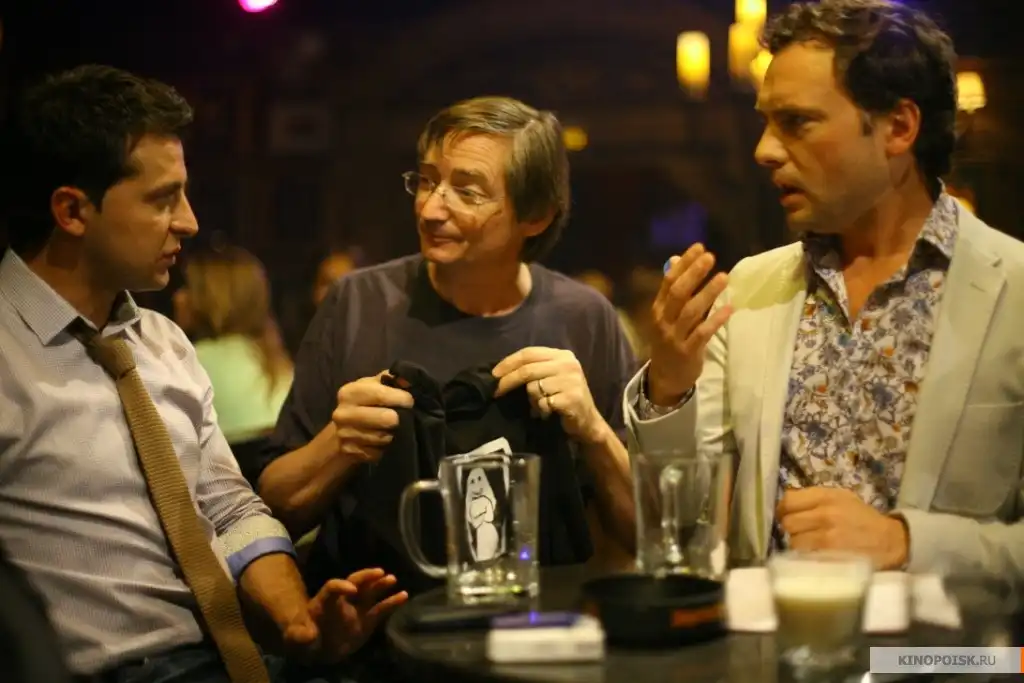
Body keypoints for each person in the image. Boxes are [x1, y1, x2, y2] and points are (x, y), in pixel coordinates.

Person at [0, 64, 406, 683]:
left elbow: (229, 506)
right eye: (163, 199)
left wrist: (298, 621)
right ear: (73, 210)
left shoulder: (164, 342)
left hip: (235, 660)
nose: (189, 221)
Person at [626, 0, 1024, 579]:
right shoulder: (751, 287)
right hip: (766, 635)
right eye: (766, 122)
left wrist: (906, 542)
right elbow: (682, 522)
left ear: (899, 127)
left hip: (945, 635)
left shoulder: (1013, 288)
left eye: (796, 122)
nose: (764, 150)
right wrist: (668, 386)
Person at [256, 96, 638, 581]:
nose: (431, 208)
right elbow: (273, 509)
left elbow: (643, 534)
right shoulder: (358, 302)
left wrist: (594, 432)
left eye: (467, 191)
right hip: (379, 610)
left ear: (536, 215)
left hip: (535, 611)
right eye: (426, 180)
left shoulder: (584, 318)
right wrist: (339, 444)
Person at [173, 246, 293, 486]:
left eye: (187, 287)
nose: (177, 297)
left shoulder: (185, 363)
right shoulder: (277, 360)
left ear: (212, 297)